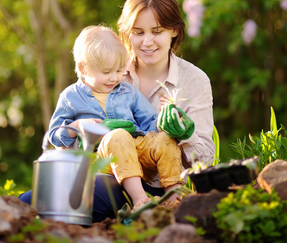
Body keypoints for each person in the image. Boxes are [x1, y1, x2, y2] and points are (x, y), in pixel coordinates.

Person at [93, 0, 214, 222]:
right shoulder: (111, 73)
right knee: (45, 198)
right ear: (127, 34)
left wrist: (184, 136)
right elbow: (78, 136)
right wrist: (95, 132)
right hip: (116, 181)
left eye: (156, 31)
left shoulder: (195, 81)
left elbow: (206, 159)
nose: (147, 42)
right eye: (138, 32)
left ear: (174, 31)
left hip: (167, 187)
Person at [44, 25, 186, 210]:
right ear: (83, 68)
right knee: (117, 136)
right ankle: (140, 199)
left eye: (119, 71)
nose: (114, 78)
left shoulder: (128, 92)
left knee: (165, 139)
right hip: (100, 160)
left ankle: (174, 197)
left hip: (135, 152)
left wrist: (166, 118)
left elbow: (149, 123)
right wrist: (77, 126)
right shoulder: (70, 97)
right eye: (106, 72)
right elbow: (54, 135)